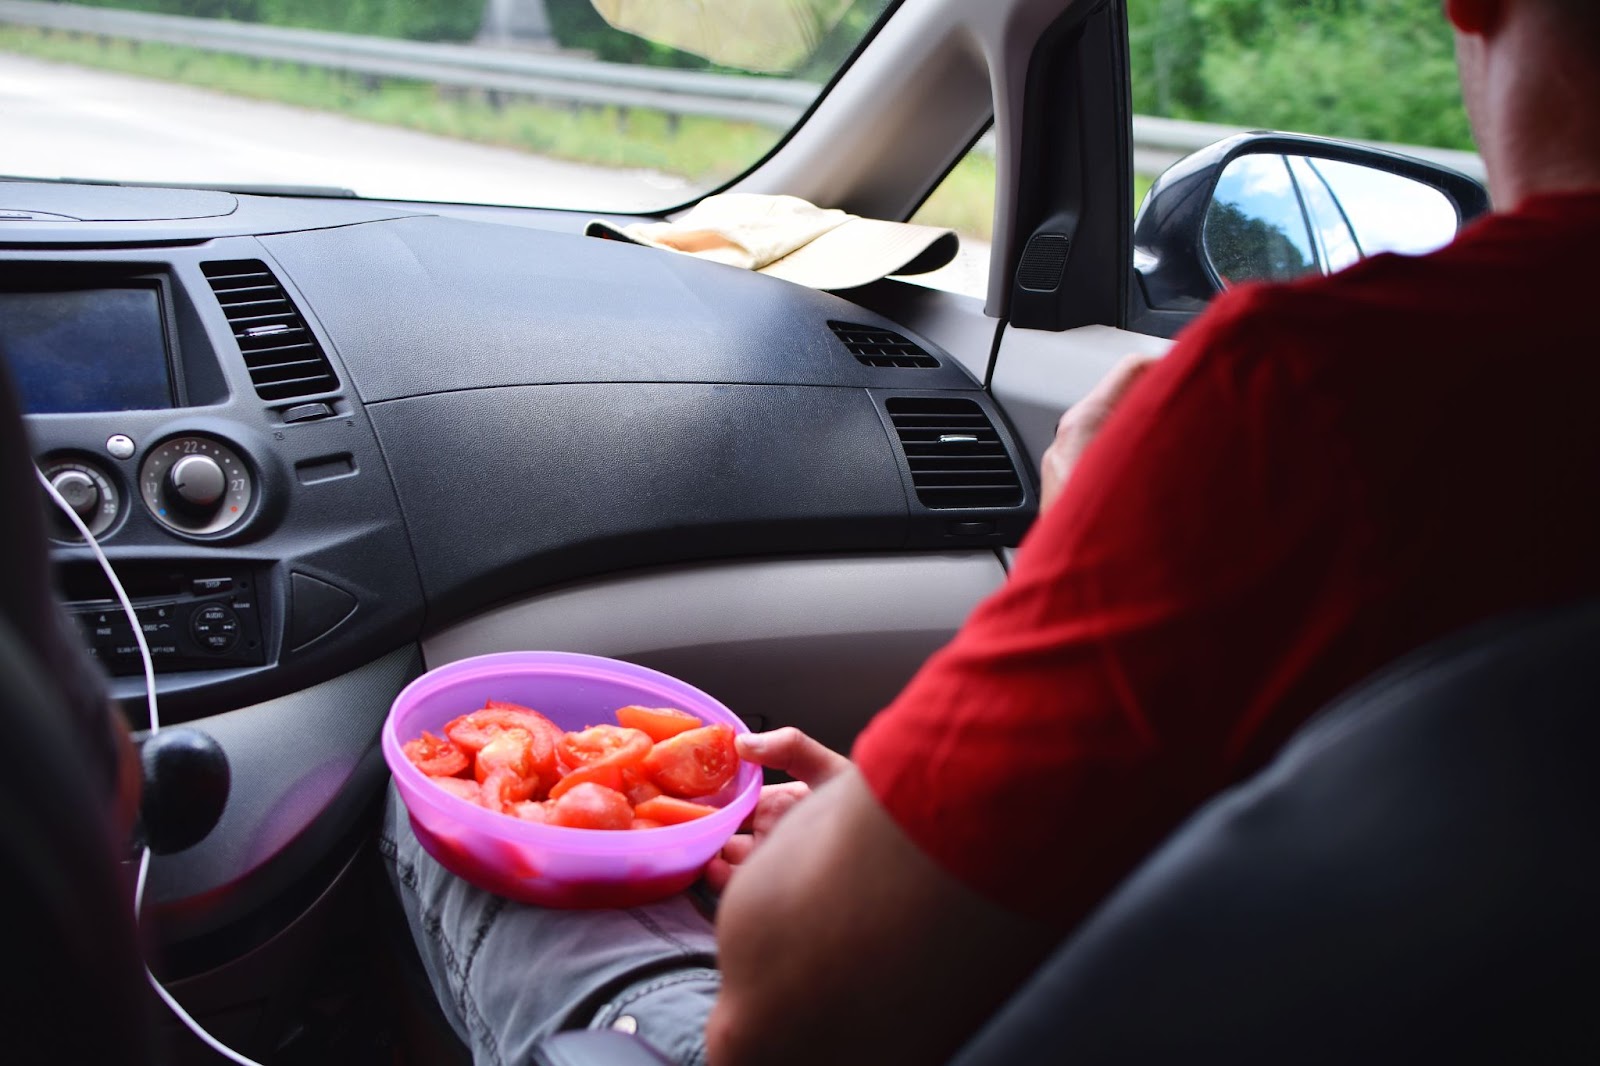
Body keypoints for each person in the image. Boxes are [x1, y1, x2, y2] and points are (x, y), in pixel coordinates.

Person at [382, 1, 1600, 1063]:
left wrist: (1087, 526)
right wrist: (912, 828)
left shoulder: (1317, 398)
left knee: (457, 824)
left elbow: (786, 1020)